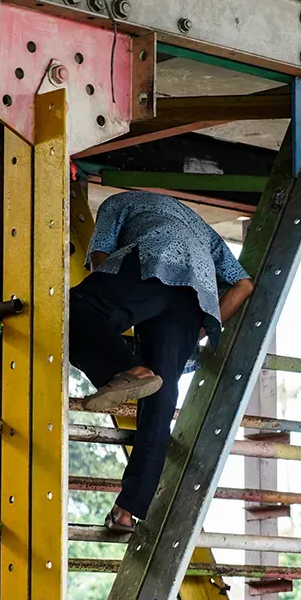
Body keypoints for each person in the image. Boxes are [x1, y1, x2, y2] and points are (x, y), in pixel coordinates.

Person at [70, 190, 254, 533]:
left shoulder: (118, 203)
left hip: (151, 258)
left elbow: (101, 259)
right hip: (196, 299)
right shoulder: (200, 227)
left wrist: (114, 320)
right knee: (159, 402)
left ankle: (125, 370)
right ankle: (128, 510)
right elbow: (243, 285)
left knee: (68, 311)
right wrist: (196, 332)